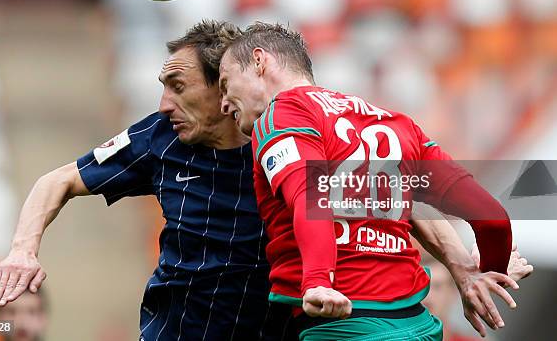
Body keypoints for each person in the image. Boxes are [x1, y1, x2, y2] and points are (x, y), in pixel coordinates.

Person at [0, 20, 523, 341]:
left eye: (181, 86)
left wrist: (463, 267)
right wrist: (23, 250)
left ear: (230, 81)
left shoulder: (299, 129)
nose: (164, 104)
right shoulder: (159, 139)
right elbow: (56, 181)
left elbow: (390, 198)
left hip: (292, 326)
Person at [218, 22, 522, 340]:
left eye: (226, 84)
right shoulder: (395, 123)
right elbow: (493, 217)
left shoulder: (282, 116)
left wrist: (319, 281)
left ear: (259, 60)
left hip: (345, 326)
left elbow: (311, 199)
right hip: (419, 327)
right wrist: (490, 271)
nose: (225, 103)